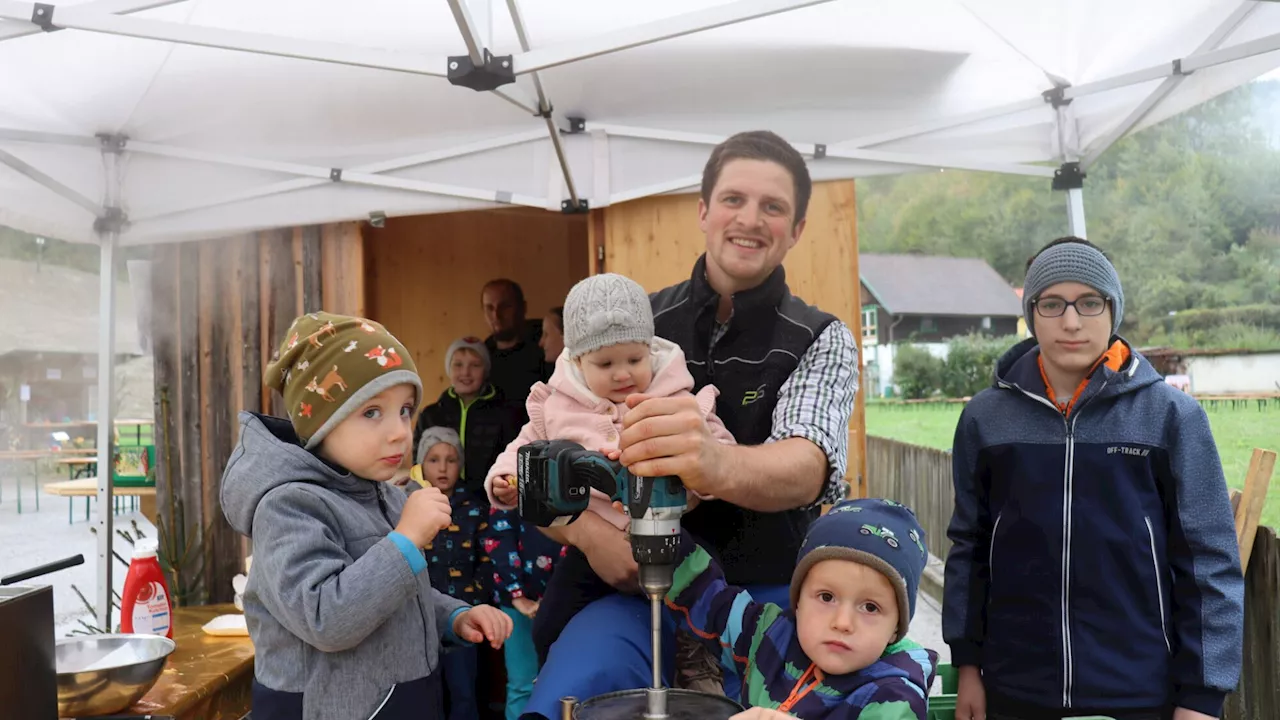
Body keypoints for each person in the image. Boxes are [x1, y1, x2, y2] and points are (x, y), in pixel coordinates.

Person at [522, 130, 860, 717]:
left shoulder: (820, 336)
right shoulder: (626, 319)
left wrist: (713, 461)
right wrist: (588, 536)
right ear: (703, 211)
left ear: (797, 229)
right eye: (733, 199)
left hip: (761, 598)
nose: (749, 219)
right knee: (567, 699)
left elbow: (810, 465)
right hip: (620, 595)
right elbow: (537, 459)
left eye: (773, 206)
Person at [943, 237, 1245, 720]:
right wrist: (970, 666)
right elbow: (969, 546)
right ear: (1031, 312)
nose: (1070, 320)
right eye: (1052, 303)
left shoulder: (1172, 417)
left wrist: (1202, 696)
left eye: (1089, 302)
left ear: (1113, 310)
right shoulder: (985, 418)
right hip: (1014, 688)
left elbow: (1210, 561)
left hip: (1140, 691)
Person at [220, 312, 512, 720]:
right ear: (321, 420)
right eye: (372, 412)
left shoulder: (385, 495)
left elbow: (400, 596)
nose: (398, 431)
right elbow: (326, 618)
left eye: (405, 410)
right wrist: (406, 540)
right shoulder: (288, 507)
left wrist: (453, 616)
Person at [485, 273, 736, 660]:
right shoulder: (557, 406)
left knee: (708, 605)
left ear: (650, 352)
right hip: (591, 550)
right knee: (551, 624)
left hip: (670, 536)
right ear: (578, 362)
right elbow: (524, 445)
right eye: (605, 363)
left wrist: (709, 470)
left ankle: (700, 660)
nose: (623, 374)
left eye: (635, 360)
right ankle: (555, 679)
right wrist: (506, 477)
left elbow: (718, 451)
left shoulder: (674, 399)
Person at [666, 498, 937, 719]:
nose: (842, 622)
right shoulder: (767, 636)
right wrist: (660, 539)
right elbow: (709, 597)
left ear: (895, 629)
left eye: (870, 607)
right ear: (797, 601)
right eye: (826, 597)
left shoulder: (895, 697)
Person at [414, 427, 490, 720]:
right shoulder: (407, 506)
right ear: (421, 463)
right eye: (433, 460)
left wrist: (475, 605)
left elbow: (487, 561)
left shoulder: (475, 510)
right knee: (424, 696)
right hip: (419, 624)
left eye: (451, 459)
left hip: (463, 622)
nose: (443, 468)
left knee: (464, 695)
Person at [484, 505, 568, 720]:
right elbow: (499, 537)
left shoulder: (577, 479)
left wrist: (557, 597)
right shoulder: (511, 477)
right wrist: (517, 594)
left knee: (566, 685)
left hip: (567, 601)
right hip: (518, 604)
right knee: (522, 685)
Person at [415, 337, 525, 497]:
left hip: (491, 501)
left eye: (475, 365)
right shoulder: (431, 414)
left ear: (485, 370)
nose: (465, 372)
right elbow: (417, 463)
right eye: (458, 365)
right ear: (449, 369)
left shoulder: (505, 414)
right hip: (441, 499)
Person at [483, 279, 551, 403]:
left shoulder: (546, 343)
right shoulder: (482, 356)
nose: (496, 315)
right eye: (489, 308)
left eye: (505, 307)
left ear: (523, 308)